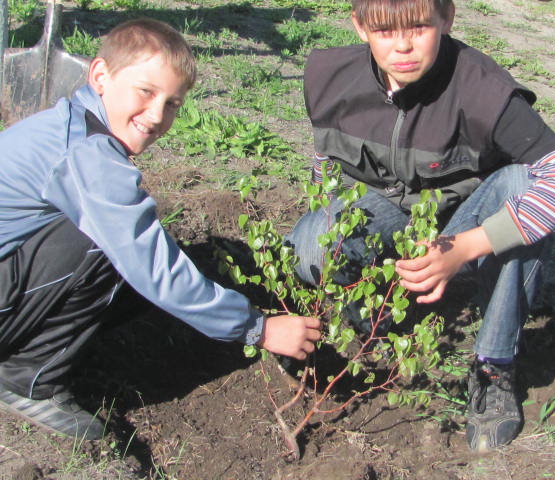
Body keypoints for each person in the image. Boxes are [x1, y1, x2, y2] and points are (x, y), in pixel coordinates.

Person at [287, 0, 555, 452]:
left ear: (447, 18)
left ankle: (494, 366)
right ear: (359, 27)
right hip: (384, 215)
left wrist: (463, 246)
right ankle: (376, 324)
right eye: (385, 31)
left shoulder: (483, 90)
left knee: (520, 184)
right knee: (309, 244)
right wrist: (332, 241)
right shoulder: (328, 77)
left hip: (462, 225)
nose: (404, 46)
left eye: (419, 26)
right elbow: (325, 166)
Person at [0, 18, 321, 441]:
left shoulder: (72, 123)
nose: (156, 115)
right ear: (100, 75)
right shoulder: (86, 153)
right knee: (108, 246)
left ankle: (43, 342)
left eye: (172, 103)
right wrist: (259, 328)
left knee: (127, 258)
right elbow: (152, 266)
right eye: (146, 92)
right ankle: (26, 379)